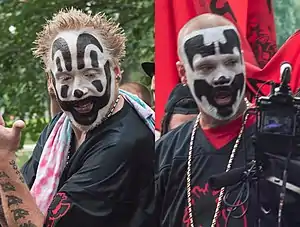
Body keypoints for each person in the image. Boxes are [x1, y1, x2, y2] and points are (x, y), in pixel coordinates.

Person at [0, 8, 155, 227]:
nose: (79, 89)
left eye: (90, 74)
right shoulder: (61, 127)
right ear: (51, 83)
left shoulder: (125, 142)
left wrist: (4, 159)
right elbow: (16, 202)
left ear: (116, 71)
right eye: (65, 77)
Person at [155, 13, 300, 227]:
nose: (222, 76)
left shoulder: (286, 140)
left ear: (243, 62)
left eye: (231, 62)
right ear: (183, 73)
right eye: (206, 67)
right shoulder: (166, 153)